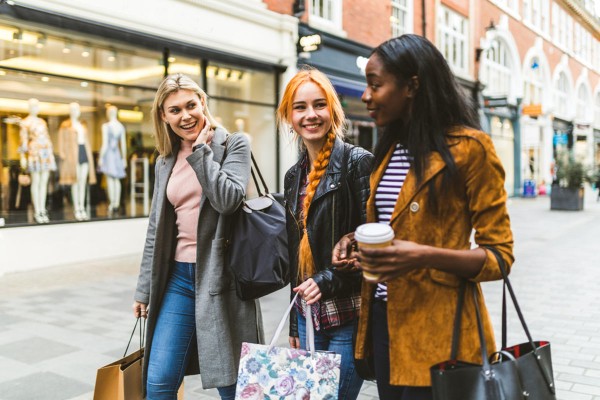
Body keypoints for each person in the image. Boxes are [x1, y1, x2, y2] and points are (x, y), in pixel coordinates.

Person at [332, 34, 514, 400]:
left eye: (375, 84)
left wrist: (421, 255)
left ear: (412, 86)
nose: (365, 95)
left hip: (441, 331)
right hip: (384, 320)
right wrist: (355, 238)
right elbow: (398, 222)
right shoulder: (389, 150)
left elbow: (500, 257)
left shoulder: (470, 149)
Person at [132, 73, 262, 400]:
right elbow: (155, 228)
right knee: (159, 380)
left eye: (191, 105)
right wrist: (144, 289)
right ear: (163, 116)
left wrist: (201, 153)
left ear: (203, 103)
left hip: (221, 278)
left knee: (231, 382)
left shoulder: (234, 143)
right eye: (174, 110)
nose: (185, 115)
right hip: (177, 278)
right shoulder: (165, 160)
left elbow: (229, 200)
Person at [277, 67, 373, 400]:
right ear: (289, 116)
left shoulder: (357, 163)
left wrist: (326, 280)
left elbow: (371, 244)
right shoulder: (293, 177)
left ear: (333, 109)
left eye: (319, 105)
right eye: (300, 107)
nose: (311, 115)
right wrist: (293, 324)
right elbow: (296, 255)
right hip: (307, 316)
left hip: (351, 313)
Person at [19, 98, 57, 224]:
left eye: (36, 105)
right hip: (34, 153)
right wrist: (23, 157)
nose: (35, 107)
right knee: (36, 182)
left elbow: (47, 137)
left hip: (45, 153)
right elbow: (23, 141)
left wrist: (51, 154)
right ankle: (37, 210)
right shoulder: (25, 123)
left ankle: (42, 209)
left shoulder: (42, 122)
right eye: (32, 105)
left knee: (44, 182)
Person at [58, 102, 96, 221]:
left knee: (82, 182)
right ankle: (77, 208)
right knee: (75, 181)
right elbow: (61, 141)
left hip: (83, 152)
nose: (74, 111)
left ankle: (82, 208)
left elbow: (86, 141)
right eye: (72, 109)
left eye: (76, 109)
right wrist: (63, 154)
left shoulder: (82, 125)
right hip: (72, 155)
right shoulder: (65, 125)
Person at [98, 105, 127, 216]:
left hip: (110, 154)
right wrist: (123, 158)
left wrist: (101, 157)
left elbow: (105, 144)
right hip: (117, 154)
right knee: (117, 179)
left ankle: (112, 203)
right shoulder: (120, 126)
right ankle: (116, 203)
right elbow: (123, 145)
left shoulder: (106, 126)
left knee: (111, 179)